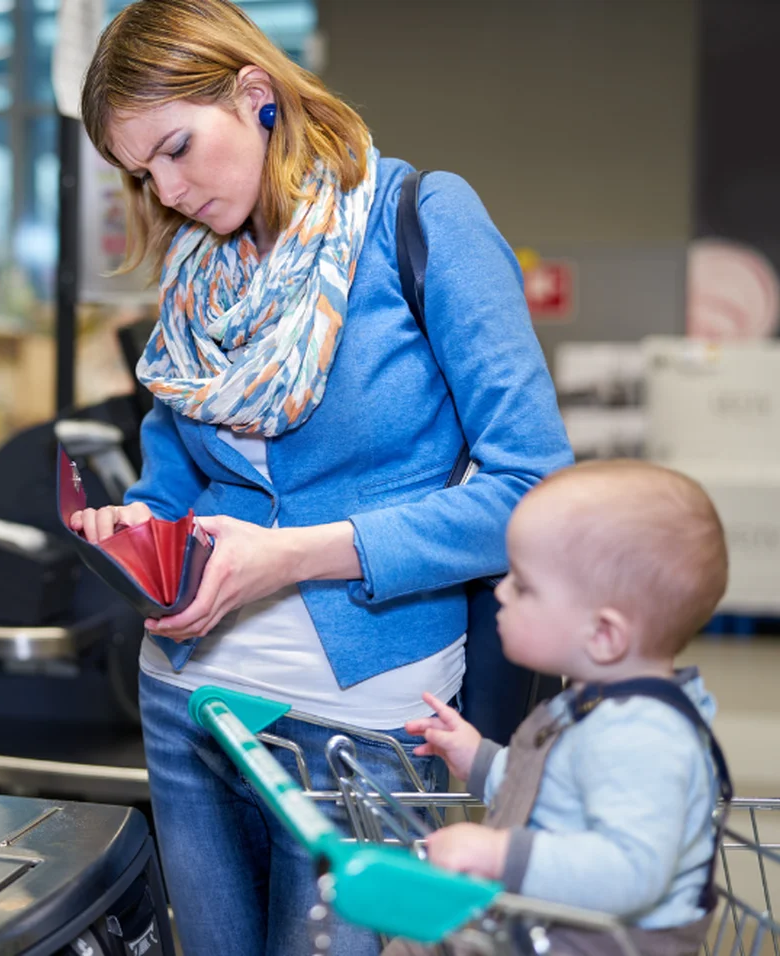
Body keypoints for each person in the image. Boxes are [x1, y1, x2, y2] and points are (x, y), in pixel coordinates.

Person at [71, 1, 573, 953]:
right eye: (142, 173)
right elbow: (170, 480)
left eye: (177, 149)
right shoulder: (195, 273)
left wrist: (295, 558)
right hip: (191, 698)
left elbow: (532, 490)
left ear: (255, 94)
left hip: (366, 727)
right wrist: (134, 534)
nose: (167, 192)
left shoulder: (417, 222)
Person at [386, 460, 731, 956]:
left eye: (523, 585)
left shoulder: (642, 734)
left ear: (604, 634)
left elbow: (632, 871)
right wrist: (481, 761)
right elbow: (559, 790)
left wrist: (499, 852)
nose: (501, 591)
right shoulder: (596, 704)